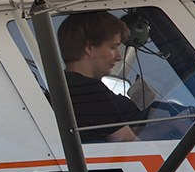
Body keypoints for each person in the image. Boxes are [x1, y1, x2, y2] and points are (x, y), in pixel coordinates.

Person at [57, 12, 142, 143]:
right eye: (112, 47)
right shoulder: (85, 90)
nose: (118, 57)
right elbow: (129, 143)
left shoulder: (63, 86)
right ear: (89, 47)